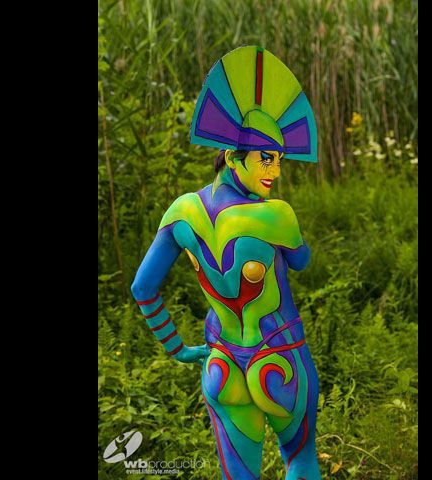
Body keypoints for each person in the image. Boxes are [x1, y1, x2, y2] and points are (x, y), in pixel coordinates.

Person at [131, 46, 321, 480]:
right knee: (301, 460)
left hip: (221, 364)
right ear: (233, 157)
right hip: (280, 360)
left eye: (279, 160)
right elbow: (302, 261)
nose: (275, 171)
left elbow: (142, 288)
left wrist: (179, 350)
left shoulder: (181, 212)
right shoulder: (276, 216)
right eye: (265, 159)